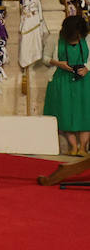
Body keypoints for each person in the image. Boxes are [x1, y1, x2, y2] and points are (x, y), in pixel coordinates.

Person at [45, 14, 90, 156]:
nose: (76, 39)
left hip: (85, 81)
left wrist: (87, 67)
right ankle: (73, 147)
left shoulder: (88, 38)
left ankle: (83, 148)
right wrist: (58, 63)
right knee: (64, 112)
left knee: (85, 113)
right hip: (62, 79)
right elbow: (45, 58)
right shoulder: (54, 38)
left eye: (78, 36)